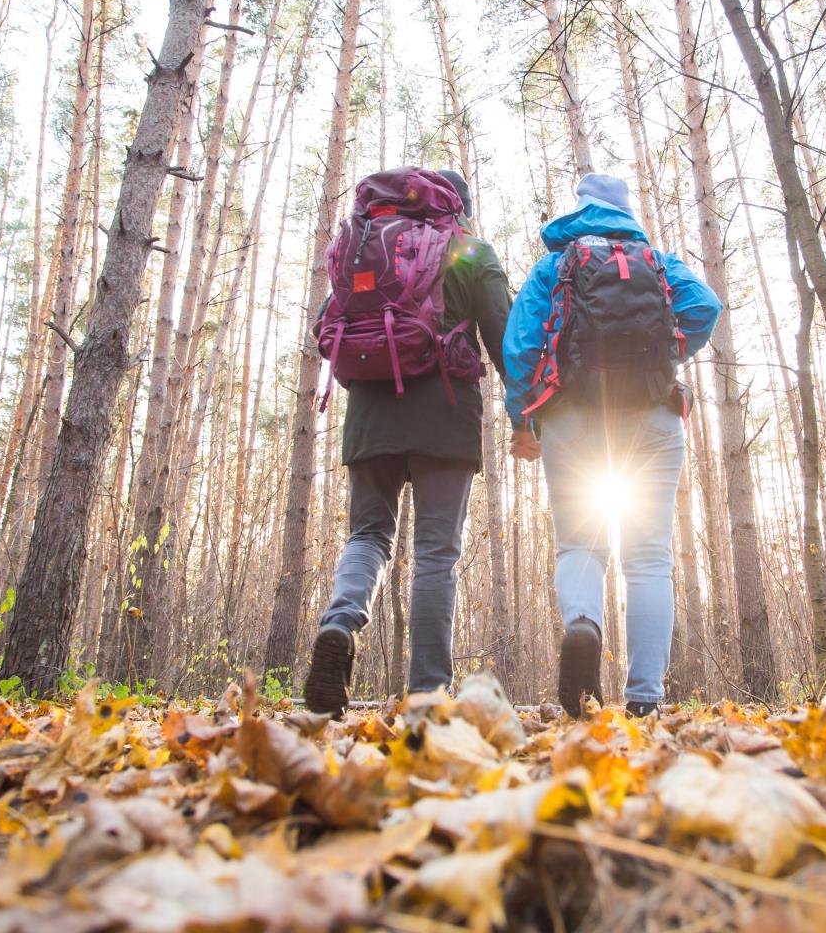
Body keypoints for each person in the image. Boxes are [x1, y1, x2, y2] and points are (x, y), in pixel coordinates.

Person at [503, 172, 720, 717]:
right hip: (653, 415)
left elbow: (520, 345)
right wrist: (666, 352)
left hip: (573, 416)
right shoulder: (658, 262)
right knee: (649, 559)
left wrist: (522, 419)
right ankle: (645, 699)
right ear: (627, 214)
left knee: (581, 545)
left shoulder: (558, 264)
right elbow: (706, 309)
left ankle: (583, 624)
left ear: (580, 210)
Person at [303, 167, 512, 716]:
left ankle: (340, 624)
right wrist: (527, 413)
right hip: (445, 416)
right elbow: (504, 338)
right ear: (459, 206)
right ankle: (426, 694)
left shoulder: (372, 245)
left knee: (369, 536)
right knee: (435, 554)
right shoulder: (469, 250)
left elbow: (325, 327)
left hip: (371, 416)